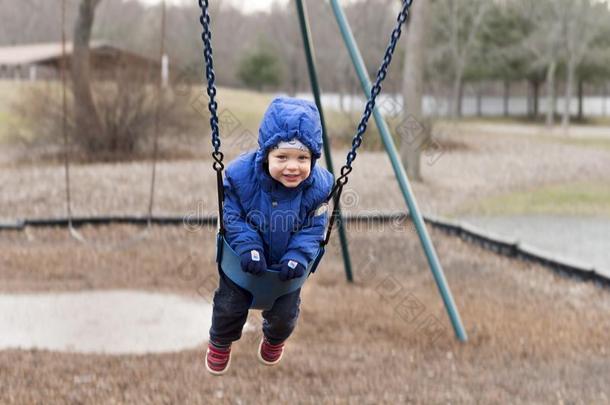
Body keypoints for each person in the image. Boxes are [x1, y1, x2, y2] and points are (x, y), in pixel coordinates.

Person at [205, 97, 334, 376]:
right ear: (266, 155)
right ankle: (220, 343)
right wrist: (249, 246)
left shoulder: (318, 188)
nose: (293, 166)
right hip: (244, 262)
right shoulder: (242, 178)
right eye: (282, 157)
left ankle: (274, 341)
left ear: (313, 158)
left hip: (287, 270)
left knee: (285, 318)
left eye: (303, 158)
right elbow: (232, 217)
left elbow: (313, 229)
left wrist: (298, 257)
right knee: (229, 309)